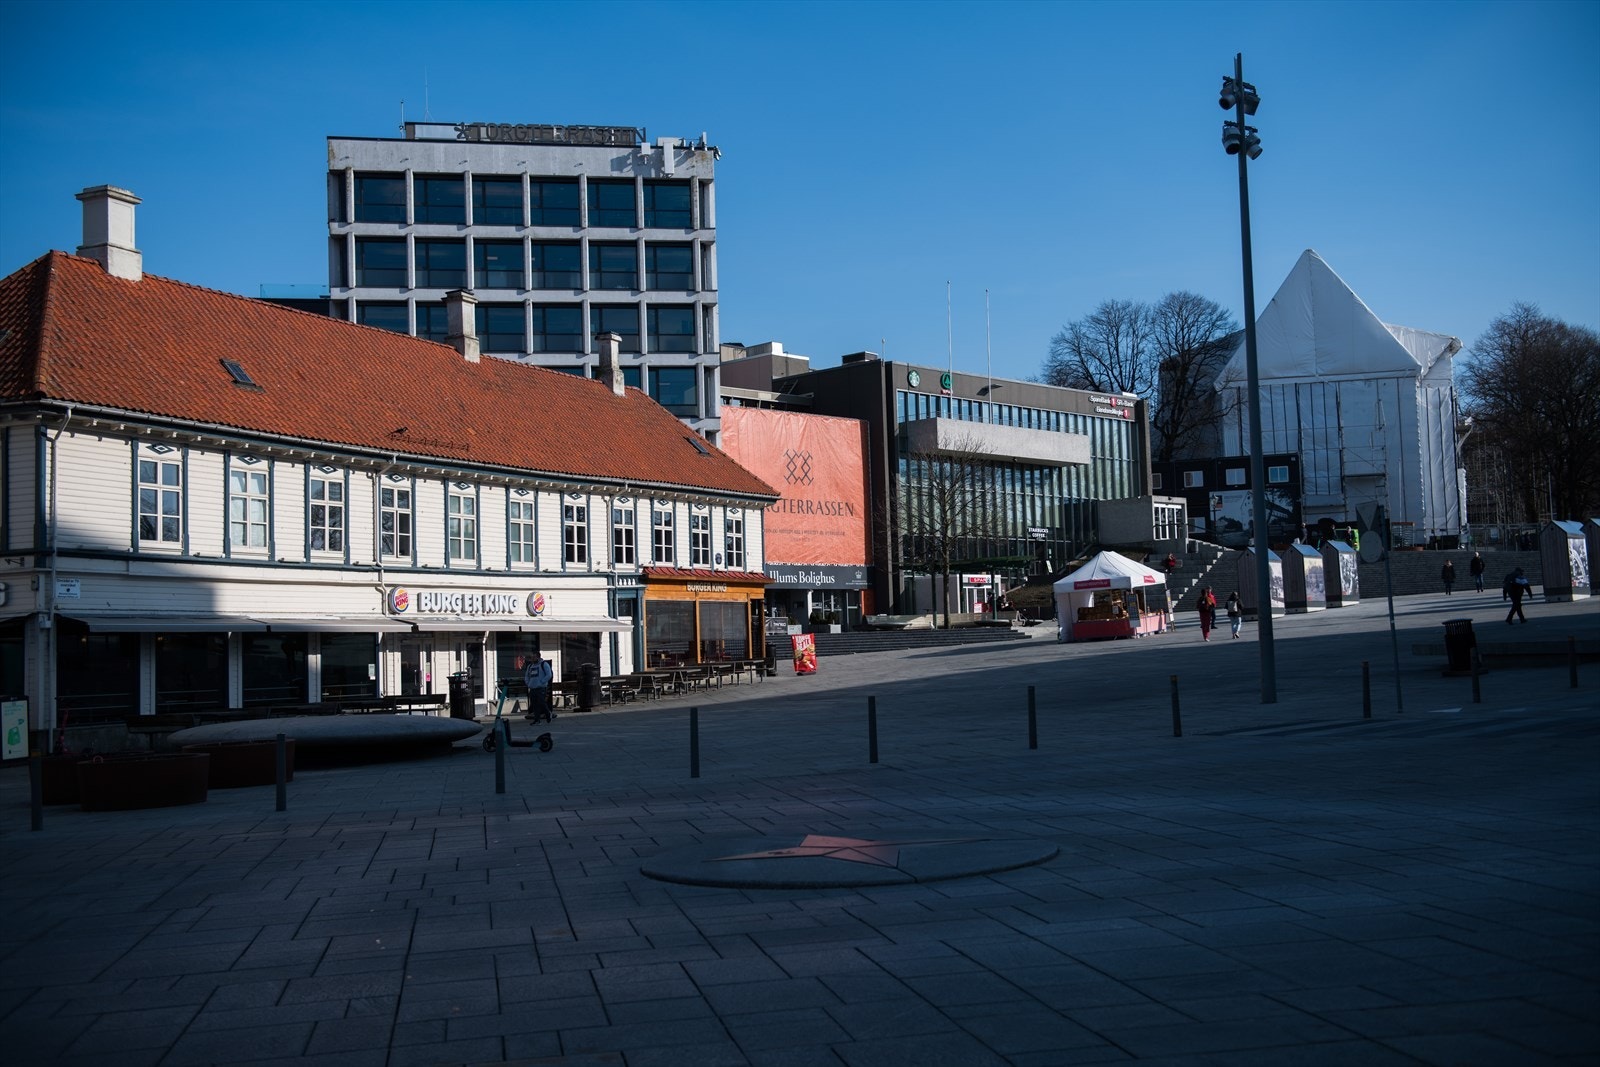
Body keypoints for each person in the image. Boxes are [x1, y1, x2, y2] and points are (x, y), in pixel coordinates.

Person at [523, 654, 554, 722]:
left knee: (541, 702)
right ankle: (537, 719)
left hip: (541, 688)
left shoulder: (544, 664)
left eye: (534, 657)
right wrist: (528, 683)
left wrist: (542, 682)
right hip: (532, 687)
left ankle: (548, 714)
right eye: (532, 657)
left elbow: (549, 674)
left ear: (538, 657)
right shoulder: (530, 666)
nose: (532, 659)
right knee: (534, 704)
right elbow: (527, 676)